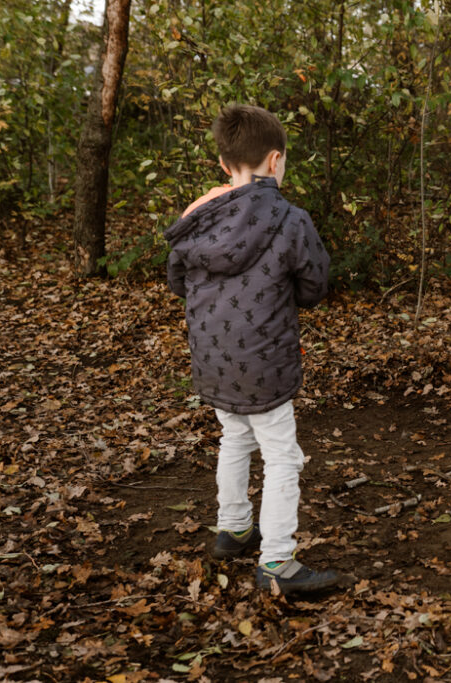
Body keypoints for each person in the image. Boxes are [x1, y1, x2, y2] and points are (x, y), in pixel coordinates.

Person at [165, 104, 339, 595]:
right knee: (283, 455)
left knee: (235, 437)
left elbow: (177, 280)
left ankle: (235, 527)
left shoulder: (197, 216)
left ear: (224, 164)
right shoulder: (290, 219)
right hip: (265, 359)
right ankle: (277, 560)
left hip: (213, 358)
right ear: (275, 160)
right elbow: (315, 285)